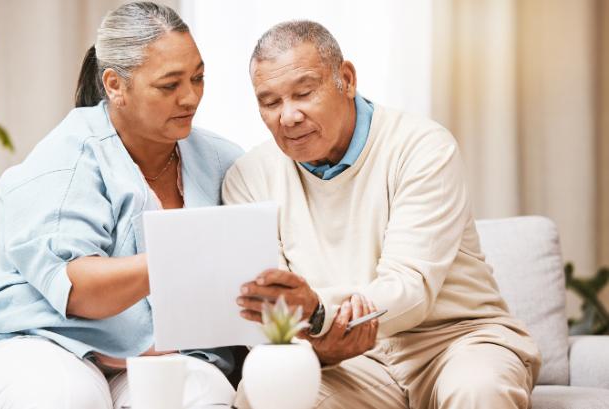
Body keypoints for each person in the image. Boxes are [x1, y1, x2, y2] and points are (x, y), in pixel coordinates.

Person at [0, 3, 243, 408]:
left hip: (154, 355)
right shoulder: (66, 158)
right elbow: (77, 289)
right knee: (70, 396)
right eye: (170, 85)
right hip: (40, 340)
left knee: (200, 395)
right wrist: (185, 255)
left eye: (198, 78)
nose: (190, 97)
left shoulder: (223, 161)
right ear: (115, 85)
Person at [224, 21, 542, 409]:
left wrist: (319, 312)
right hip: (347, 362)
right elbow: (267, 310)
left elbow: (410, 287)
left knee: (479, 391)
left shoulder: (422, 147)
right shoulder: (247, 177)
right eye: (270, 102)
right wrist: (318, 340)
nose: (288, 116)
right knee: (265, 397)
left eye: (304, 93)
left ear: (346, 79)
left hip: (454, 340)